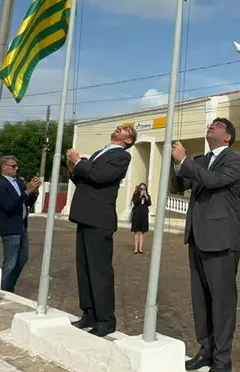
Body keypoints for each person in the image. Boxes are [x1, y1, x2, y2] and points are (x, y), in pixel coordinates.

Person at [171, 118, 240, 372]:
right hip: (197, 237)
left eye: (218, 125)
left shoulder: (235, 160)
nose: (211, 126)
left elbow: (213, 181)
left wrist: (185, 163)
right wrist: (177, 166)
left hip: (222, 239)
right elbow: (180, 186)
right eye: (211, 124)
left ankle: (223, 360)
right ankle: (206, 351)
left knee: (222, 302)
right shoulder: (199, 160)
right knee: (200, 301)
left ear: (228, 137)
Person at [66, 124, 134, 337]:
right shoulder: (99, 152)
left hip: (99, 218)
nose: (118, 128)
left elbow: (100, 177)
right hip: (85, 214)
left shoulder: (122, 157)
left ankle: (106, 318)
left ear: (128, 140)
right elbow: (83, 179)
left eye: (124, 129)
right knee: (84, 267)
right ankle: (89, 312)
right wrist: (72, 167)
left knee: (99, 270)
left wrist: (79, 162)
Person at [0, 155, 41, 292]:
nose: (16, 169)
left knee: (23, 258)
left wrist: (34, 191)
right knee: (10, 262)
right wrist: (27, 191)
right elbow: (9, 207)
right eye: (13, 166)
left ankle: (9, 287)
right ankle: (0, 289)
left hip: (22, 226)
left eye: (17, 166)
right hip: (10, 227)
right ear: (4, 167)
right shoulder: (0, 184)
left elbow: (26, 203)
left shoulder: (19, 182)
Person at [130, 183, 152, 254]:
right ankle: (136, 248)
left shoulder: (147, 196)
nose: (143, 190)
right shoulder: (136, 195)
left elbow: (149, 203)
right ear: (139, 189)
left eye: (144, 189)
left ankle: (140, 248)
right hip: (137, 215)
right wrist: (140, 196)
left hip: (144, 215)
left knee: (142, 232)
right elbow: (135, 202)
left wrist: (145, 196)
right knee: (136, 232)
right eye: (141, 188)